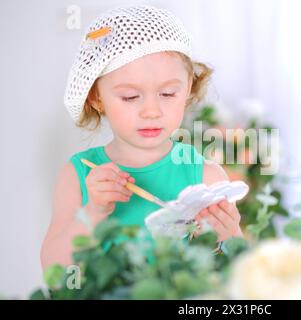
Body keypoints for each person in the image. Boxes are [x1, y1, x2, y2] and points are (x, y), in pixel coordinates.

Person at [41, 5, 243, 269]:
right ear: (97, 98)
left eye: (168, 93)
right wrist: (94, 212)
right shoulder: (78, 174)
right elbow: (53, 270)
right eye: (130, 97)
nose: (151, 111)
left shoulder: (207, 178)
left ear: (188, 88)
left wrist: (227, 238)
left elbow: (237, 277)